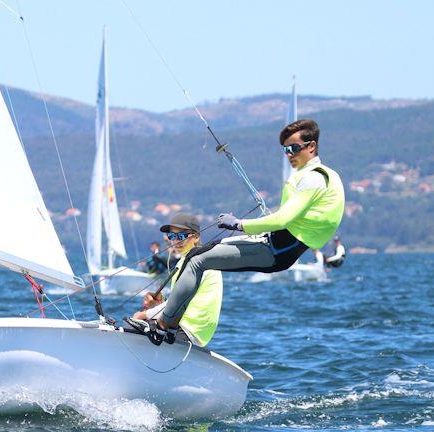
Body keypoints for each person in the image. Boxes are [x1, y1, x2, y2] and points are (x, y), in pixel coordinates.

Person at [142, 119, 344, 341]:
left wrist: (237, 224)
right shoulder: (324, 175)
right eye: (285, 149)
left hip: (275, 250)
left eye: (294, 148)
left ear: (311, 146)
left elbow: (283, 219)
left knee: (197, 260)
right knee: (197, 255)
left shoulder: (314, 179)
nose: (289, 153)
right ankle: (167, 321)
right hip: (276, 246)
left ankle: (164, 324)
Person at [127, 213, 222, 347]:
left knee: (133, 326)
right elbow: (181, 301)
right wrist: (160, 302)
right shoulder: (188, 260)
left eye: (181, 236)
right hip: (190, 329)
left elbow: (178, 302)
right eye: (172, 236)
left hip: (187, 331)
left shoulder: (197, 262)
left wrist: (145, 315)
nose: (176, 241)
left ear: (196, 237)